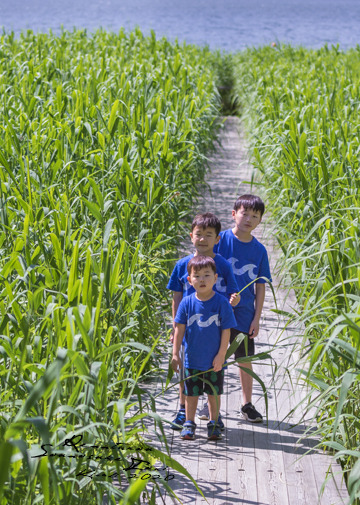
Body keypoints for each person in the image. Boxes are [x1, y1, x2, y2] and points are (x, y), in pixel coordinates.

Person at [167, 213, 240, 430]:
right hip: (188, 324)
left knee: (211, 368)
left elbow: (234, 292)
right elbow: (177, 296)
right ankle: (183, 410)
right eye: (199, 234)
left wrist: (235, 300)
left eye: (209, 235)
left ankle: (213, 416)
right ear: (191, 236)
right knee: (186, 368)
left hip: (213, 325)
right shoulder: (182, 265)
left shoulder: (222, 265)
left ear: (218, 239)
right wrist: (175, 325)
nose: (203, 239)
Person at [208, 194, 271, 423]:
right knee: (216, 358)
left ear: (260, 221)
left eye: (255, 216)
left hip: (244, 315)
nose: (249, 219)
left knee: (244, 359)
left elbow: (260, 286)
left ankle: (246, 404)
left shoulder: (259, 251)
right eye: (245, 213)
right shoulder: (220, 241)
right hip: (217, 312)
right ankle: (211, 402)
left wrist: (256, 318)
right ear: (234, 214)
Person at [171, 255, 237, 440]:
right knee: (191, 393)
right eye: (197, 276)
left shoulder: (222, 303)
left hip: (214, 360)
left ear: (215, 278)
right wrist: (175, 354)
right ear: (189, 280)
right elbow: (179, 331)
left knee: (213, 393)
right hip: (192, 359)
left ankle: (214, 422)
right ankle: (189, 422)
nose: (202, 280)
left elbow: (226, 330)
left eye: (207, 275)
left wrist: (222, 355)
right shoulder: (187, 303)